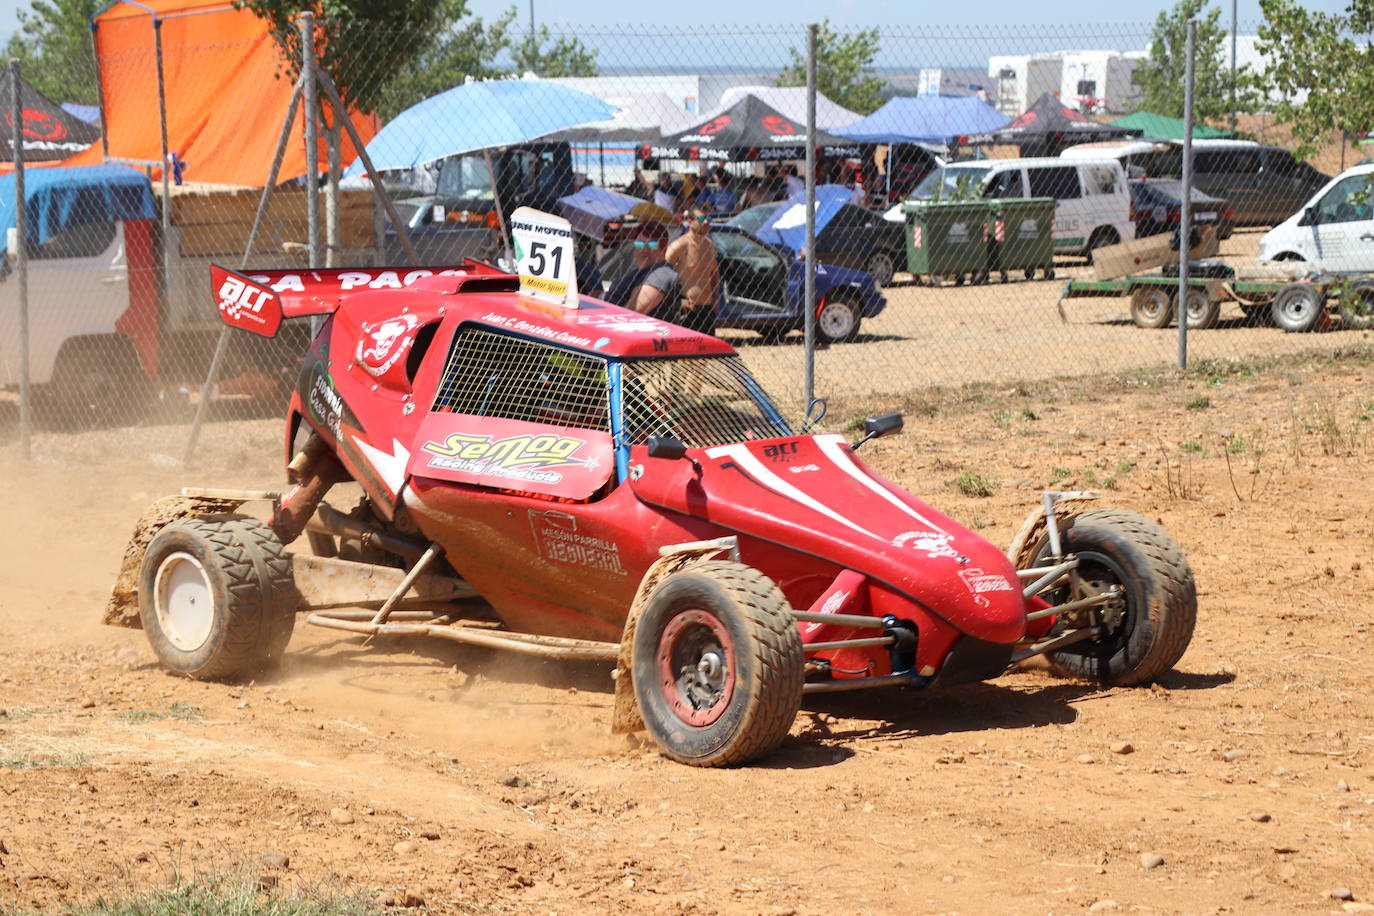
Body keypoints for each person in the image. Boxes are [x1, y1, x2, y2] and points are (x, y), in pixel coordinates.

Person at [605, 222, 681, 320]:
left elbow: (633, 312)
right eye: (639, 244)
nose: (645, 250)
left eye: (652, 245)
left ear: (664, 249)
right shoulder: (641, 271)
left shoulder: (661, 273)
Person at [665, 207, 720, 335]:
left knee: (709, 353)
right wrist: (678, 301)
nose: (706, 222)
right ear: (689, 221)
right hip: (687, 309)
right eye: (701, 218)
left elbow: (714, 272)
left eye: (709, 218)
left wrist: (716, 297)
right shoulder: (679, 245)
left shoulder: (709, 245)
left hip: (707, 309)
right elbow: (663, 273)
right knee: (686, 353)